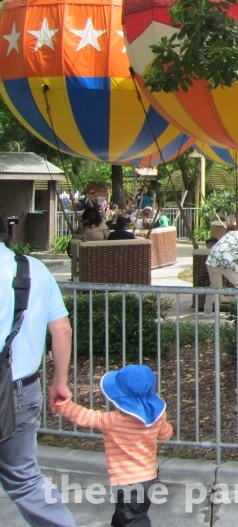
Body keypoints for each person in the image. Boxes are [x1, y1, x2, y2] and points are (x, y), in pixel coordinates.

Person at [0, 203, 77, 527]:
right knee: (26, 479)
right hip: (21, 390)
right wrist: (60, 381)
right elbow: (61, 328)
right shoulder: (32, 269)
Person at [52, 364, 173, 527]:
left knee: (133, 520)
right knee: (126, 516)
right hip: (149, 479)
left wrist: (64, 406)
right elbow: (165, 435)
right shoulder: (156, 418)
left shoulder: (112, 420)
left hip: (127, 482)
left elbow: (85, 416)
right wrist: (162, 421)